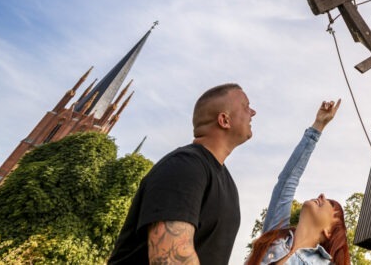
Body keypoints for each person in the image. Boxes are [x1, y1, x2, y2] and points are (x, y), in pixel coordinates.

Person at [108, 83, 256, 264]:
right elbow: (169, 258)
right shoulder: (185, 166)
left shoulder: (227, 183)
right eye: (246, 106)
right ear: (224, 120)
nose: (253, 112)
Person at [245, 99, 349, 265]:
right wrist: (318, 125)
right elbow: (288, 180)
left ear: (328, 231)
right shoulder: (275, 236)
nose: (322, 195)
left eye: (331, 204)